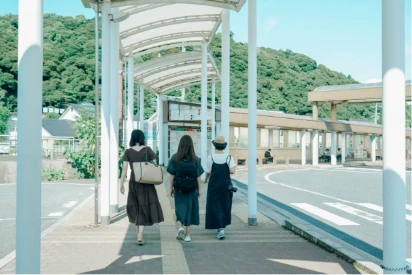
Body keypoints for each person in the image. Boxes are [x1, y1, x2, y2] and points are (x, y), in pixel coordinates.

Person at [119, 129, 164, 245]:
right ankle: (140, 235)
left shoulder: (128, 152)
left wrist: (121, 183)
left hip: (134, 181)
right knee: (144, 207)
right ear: (142, 138)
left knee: (136, 207)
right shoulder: (147, 150)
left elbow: (124, 169)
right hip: (146, 182)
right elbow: (154, 164)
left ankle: (138, 234)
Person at [167, 135, 204, 242]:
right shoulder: (195, 158)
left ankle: (180, 227)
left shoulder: (175, 157)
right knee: (190, 210)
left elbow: (171, 175)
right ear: (191, 145)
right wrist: (200, 190)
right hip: (192, 189)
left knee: (179, 209)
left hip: (179, 189)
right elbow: (198, 176)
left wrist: (171, 188)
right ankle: (187, 235)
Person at [204, 136, 237, 240]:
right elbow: (232, 171)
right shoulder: (229, 157)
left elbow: (208, 171)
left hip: (213, 185)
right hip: (225, 185)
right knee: (224, 205)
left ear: (215, 146)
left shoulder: (211, 157)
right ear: (224, 146)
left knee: (214, 205)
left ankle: (219, 228)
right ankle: (221, 227)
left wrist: (205, 180)